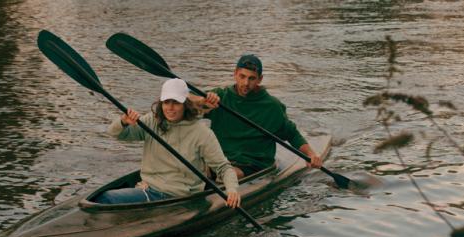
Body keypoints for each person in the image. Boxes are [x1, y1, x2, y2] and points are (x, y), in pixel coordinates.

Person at [97, 78, 240, 207]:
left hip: (180, 197)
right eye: (166, 102)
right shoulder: (152, 121)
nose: (170, 108)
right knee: (101, 197)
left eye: (176, 102)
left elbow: (223, 167)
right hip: (148, 189)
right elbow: (116, 134)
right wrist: (123, 122)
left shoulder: (202, 133)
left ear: (186, 104)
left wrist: (232, 190)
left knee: (107, 198)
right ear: (161, 103)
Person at [193, 54, 323, 179]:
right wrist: (200, 101)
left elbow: (292, 134)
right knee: (194, 171)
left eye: (251, 78)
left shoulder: (272, 106)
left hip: (252, 164)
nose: (246, 83)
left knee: (227, 175)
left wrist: (311, 154)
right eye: (242, 76)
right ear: (235, 74)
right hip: (220, 159)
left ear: (259, 79)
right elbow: (185, 104)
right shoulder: (219, 97)